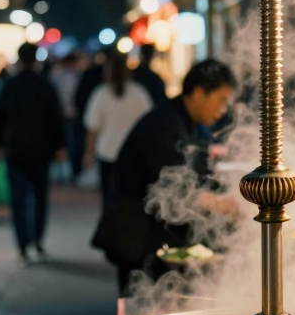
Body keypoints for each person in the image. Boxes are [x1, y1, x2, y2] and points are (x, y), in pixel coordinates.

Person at [92, 59, 236, 295]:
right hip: (137, 236)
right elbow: (174, 192)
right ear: (199, 93)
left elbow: (198, 177)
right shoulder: (165, 127)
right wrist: (224, 205)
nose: (222, 110)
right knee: (141, 307)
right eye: (221, 100)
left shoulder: (184, 120)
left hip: (153, 235)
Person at [0, 43, 66, 262]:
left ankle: (23, 246)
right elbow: (56, 118)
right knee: (41, 197)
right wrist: (61, 146)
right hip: (42, 150)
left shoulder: (10, 85)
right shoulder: (45, 85)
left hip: (15, 149)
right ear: (36, 60)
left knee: (19, 199)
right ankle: (37, 239)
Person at [83, 50, 153, 209]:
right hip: (133, 154)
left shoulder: (101, 94)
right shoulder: (139, 93)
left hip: (107, 152)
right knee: (131, 199)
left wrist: (88, 152)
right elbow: (149, 125)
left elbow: (93, 128)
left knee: (109, 199)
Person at [49, 51, 85, 180]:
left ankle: (60, 172)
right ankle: (69, 172)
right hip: (70, 115)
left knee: (62, 143)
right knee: (71, 144)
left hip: (60, 114)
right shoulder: (73, 77)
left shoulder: (57, 76)